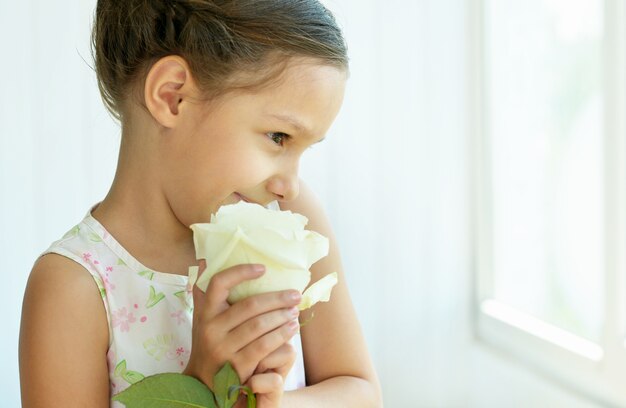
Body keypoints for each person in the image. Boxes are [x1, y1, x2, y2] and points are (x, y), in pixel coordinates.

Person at [18, 0, 381, 407]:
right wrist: (202, 385)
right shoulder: (74, 288)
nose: (290, 186)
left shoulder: (293, 222)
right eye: (279, 137)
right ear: (172, 96)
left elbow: (359, 390)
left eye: (303, 149)